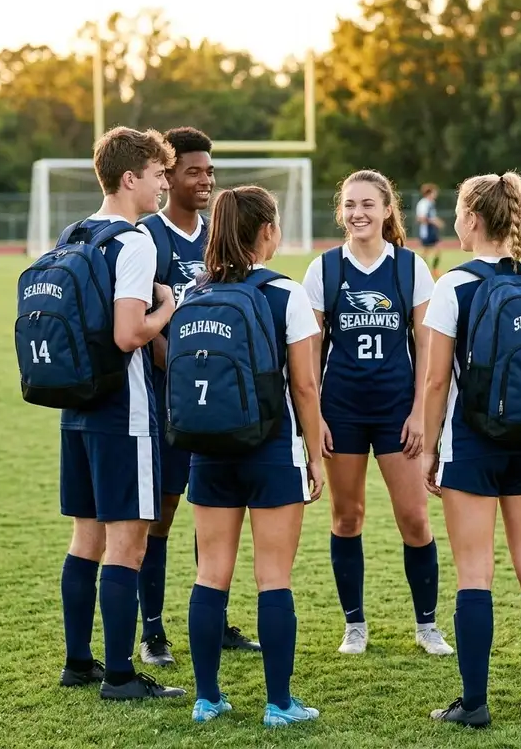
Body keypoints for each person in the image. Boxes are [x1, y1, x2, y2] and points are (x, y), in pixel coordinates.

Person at [422, 172, 521, 727]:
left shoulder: (453, 285)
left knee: (474, 572)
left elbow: (435, 382)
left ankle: (475, 704)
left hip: (473, 441)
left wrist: (430, 448)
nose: (457, 222)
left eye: (460, 214)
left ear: (473, 220)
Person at [185, 186, 323, 727]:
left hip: (209, 451)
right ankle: (279, 704)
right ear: (267, 231)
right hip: (271, 449)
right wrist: (315, 454)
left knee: (210, 574)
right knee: (274, 578)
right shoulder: (285, 294)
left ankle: (206, 698)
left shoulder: (195, 293)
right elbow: (306, 387)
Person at [302, 170, 452, 657]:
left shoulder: (411, 268)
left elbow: (428, 352)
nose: (357, 213)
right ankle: (354, 625)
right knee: (347, 518)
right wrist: (316, 420)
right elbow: (308, 353)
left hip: (396, 413)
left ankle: (427, 625)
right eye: (349, 205)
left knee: (414, 520)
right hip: (340, 411)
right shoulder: (323, 269)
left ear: (388, 210)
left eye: (367, 204)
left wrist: (418, 415)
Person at [58, 126, 185, 700]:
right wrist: (168, 306)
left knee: (85, 538)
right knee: (127, 542)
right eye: (159, 175)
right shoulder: (134, 242)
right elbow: (129, 332)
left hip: (76, 408)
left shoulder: (75, 233)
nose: (164, 185)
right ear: (131, 178)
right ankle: (120, 675)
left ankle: (78, 663)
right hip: (124, 412)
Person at [136, 127, 258, 666]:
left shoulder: (218, 235)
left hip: (218, 404)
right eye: (193, 170)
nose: (205, 179)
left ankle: (215, 616)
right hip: (168, 401)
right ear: (167, 178)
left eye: (210, 170)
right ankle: (154, 629)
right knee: (160, 513)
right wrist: (181, 365)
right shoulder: (148, 237)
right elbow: (141, 317)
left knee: (215, 511)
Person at [416, 183, 445, 278]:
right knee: (425, 252)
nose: (435, 194)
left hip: (432, 231)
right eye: (434, 192)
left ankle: (433, 270)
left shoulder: (431, 203)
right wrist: (434, 222)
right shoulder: (423, 203)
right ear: (429, 193)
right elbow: (421, 218)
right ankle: (421, 269)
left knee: (437, 250)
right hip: (426, 231)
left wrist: (436, 222)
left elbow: (432, 217)